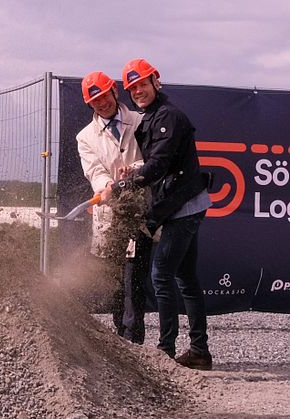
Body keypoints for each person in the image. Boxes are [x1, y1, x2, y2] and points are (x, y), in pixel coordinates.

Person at [102, 58, 212, 370]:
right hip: (180, 205)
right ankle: (200, 351)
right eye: (132, 87)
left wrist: (122, 186)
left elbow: (160, 164)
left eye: (143, 84)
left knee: (161, 275)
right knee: (186, 278)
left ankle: (165, 353)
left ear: (155, 81)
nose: (138, 90)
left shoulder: (169, 116)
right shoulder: (150, 117)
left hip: (185, 206)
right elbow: (150, 163)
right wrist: (133, 171)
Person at [76, 71, 152, 344]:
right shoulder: (85, 137)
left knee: (134, 278)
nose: (102, 103)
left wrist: (131, 172)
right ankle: (121, 339)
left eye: (104, 96)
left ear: (115, 93)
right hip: (110, 215)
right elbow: (94, 171)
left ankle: (134, 340)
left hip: (138, 210)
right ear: (90, 104)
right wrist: (108, 186)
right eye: (95, 101)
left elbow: (155, 160)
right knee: (116, 280)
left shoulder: (141, 121)